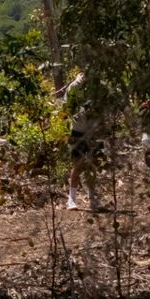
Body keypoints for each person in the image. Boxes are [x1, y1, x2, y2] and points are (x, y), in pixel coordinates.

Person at [63, 73, 102, 211]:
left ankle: (93, 199)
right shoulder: (74, 87)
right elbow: (68, 108)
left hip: (93, 131)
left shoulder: (99, 86)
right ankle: (71, 199)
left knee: (92, 165)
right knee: (78, 165)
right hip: (78, 131)